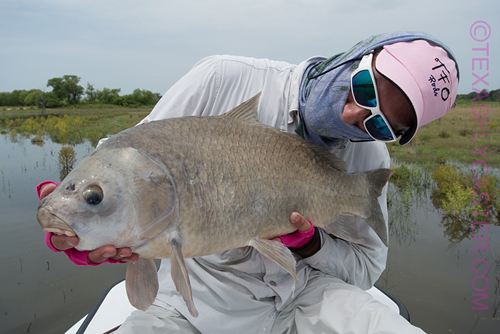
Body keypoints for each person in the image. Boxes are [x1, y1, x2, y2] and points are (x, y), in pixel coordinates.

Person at [37, 31, 459, 333]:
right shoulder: (223, 77)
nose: (355, 115)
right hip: (197, 306)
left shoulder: (370, 156)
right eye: (364, 88)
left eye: (381, 123)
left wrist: (309, 244)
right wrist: (88, 214)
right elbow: (125, 159)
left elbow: (366, 267)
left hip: (305, 297)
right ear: (355, 56)